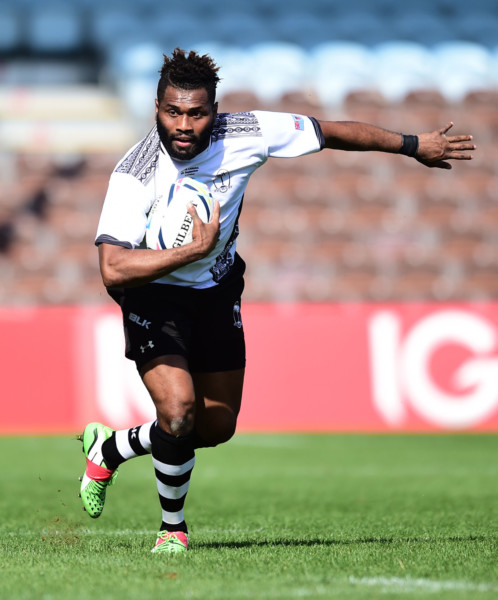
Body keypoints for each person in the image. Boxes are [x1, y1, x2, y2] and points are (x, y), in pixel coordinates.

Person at [79, 48, 476, 554]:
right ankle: (172, 529)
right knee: (178, 412)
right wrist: (190, 251)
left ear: (214, 112)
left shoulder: (247, 133)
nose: (183, 124)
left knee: (216, 425)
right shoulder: (134, 173)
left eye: (196, 113)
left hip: (218, 288)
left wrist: (413, 144)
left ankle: (111, 446)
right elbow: (113, 269)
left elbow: (330, 131)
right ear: (155, 108)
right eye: (172, 112)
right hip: (153, 295)